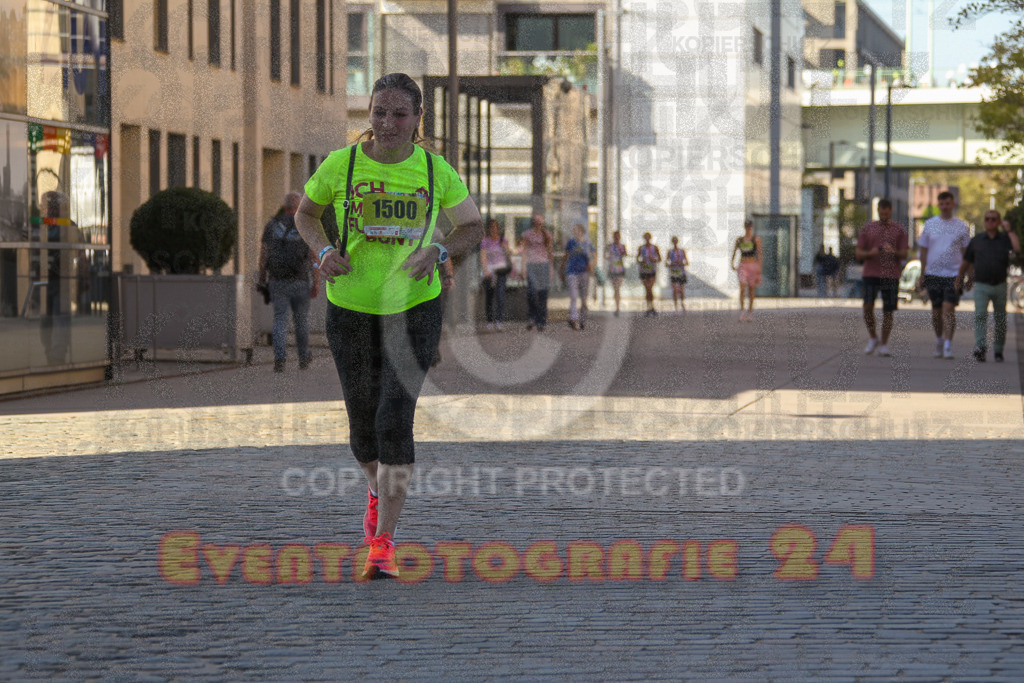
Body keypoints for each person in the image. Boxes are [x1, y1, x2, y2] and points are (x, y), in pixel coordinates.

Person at [294, 73, 483, 579]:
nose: (388, 123)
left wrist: (438, 249)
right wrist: (325, 251)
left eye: (400, 114)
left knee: (394, 419)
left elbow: (472, 225)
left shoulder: (434, 169)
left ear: (417, 119)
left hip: (414, 311)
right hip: (351, 309)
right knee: (362, 428)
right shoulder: (343, 164)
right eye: (380, 112)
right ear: (370, 114)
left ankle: (383, 543)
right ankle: (376, 492)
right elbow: (305, 216)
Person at [258, 191, 318, 372]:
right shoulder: (304, 225)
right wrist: (316, 281)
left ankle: (280, 360)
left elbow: (263, 254)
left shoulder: (271, 225)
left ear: (285, 207)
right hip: (300, 281)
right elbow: (313, 256)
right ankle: (303, 357)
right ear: (299, 207)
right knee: (301, 321)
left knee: (280, 320)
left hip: (277, 280)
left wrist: (262, 278)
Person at [956, 210, 1020, 362]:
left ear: (999, 222)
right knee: (980, 316)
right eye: (987, 219)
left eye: (993, 219)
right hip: (981, 285)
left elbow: (1017, 248)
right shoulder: (977, 240)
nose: (989, 222)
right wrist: (960, 278)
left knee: (1000, 319)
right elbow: (967, 261)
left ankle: (998, 350)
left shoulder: (1004, 239)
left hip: (1000, 285)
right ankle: (980, 347)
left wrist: (1009, 230)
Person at [917, 191, 970, 359]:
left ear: (953, 204)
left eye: (948, 203)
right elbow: (923, 250)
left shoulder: (961, 226)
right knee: (936, 312)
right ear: (938, 205)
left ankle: (948, 344)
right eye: (942, 204)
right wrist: (922, 273)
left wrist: (969, 275)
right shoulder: (930, 224)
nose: (945, 207)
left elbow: (966, 252)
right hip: (933, 273)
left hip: (953, 274)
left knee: (949, 309)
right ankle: (939, 340)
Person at [855, 198, 909, 357]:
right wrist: (870, 253)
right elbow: (858, 253)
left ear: (891, 211)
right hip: (871, 272)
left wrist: (893, 251)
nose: (883, 214)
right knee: (867, 307)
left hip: (890, 274)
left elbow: (905, 254)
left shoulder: (899, 230)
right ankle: (873, 337)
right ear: (877, 210)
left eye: (886, 212)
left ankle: (884, 344)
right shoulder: (867, 228)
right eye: (881, 211)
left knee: (888, 310)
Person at [519, 214, 554, 331]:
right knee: (532, 291)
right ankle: (532, 317)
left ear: (542, 223)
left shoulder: (547, 235)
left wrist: (551, 269)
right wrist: (523, 268)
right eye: (536, 221)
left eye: (540, 222)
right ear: (533, 222)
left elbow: (550, 252)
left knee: (543, 294)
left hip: (543, 265)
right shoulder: (527, 234)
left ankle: (541, 321)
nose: (538, 224)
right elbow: (524, 251)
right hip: (531, 265)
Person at [479, 218, 512, 331]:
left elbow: (508, 254)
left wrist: (512, 268)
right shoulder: (485, 242)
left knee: (500, 296)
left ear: (498, 228)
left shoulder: (503, 240)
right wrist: (485, 270)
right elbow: (483, 257)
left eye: (495, 227)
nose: (493, 229)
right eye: (491, 227)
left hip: (501, 271)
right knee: (489, 296)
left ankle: (499, 321)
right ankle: (489, 321)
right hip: (489, 271)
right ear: (488, 229)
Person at [561, 223, 595, 330]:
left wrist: (592, 265)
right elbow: (565, 256)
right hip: (572, 271)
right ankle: (573, 319)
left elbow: (595, 257)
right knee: (574, 296)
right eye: (574, 230)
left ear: (581, 231)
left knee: (584, 298)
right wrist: (561, 268)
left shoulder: (588, 243)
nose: (574, 232)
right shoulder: (571, 242)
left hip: (584, 272)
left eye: (576, 230)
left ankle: (583, 319)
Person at [731, 219, 762, 321]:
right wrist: (732, 263)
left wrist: (759, 267)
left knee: (751, 289)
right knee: (743, 286)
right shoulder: (739, 240)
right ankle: (742, 311)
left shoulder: (755, 239)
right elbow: (735, 251)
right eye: (747, 226)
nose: (748, 228)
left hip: (752, 264)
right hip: (743, 265)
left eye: (749, 226)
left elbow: (759, 254)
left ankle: (750, 312)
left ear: (751, 227)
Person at [636, 232, 661, 316]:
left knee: (650, 288)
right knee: (647, 289)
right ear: (644, 238)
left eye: (648, 237)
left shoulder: (654, 248)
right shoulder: (641, 248)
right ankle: (649, 307)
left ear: (650, 238)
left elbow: (659, 258)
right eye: (645, 237)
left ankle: (652, 307)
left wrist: (654, 259)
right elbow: (637, 258)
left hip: (652, 270)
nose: (647, 239)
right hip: (644, 270)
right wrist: (641, 261)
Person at [605, 231, 627, 316]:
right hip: (612, 269)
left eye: (618, 236)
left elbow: (625, 254)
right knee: (615, 288)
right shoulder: (609, 246)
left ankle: (617, 307)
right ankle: (616, 305)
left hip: (620, 269)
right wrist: (609, 256)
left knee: (617, 288)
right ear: (613, 237)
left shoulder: (622, 246)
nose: (617, 238)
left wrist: (622, 254)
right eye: (615, 236)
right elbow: (605, 256)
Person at [666, 236, 689, 311]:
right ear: (672, 242)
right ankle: (676, 306)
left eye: (676, 241)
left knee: (682, 290)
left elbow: (687, 262)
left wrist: (681, 263)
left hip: (681, 272)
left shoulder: (682, 251)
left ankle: (682, 304)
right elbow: (666, 263)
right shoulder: (670, 252)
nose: (675, 242)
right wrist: (672, 264)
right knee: (675, 290)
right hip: (674, 273)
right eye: (674, 241)